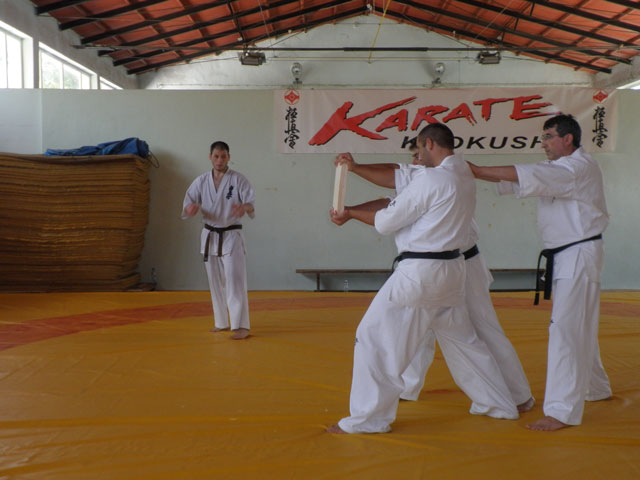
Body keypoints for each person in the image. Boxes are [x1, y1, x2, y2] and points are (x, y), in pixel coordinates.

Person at [327, 124, 518, 435]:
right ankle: (499, 404)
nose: (415, 157)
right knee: (464, 343)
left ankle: (368, 419)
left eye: (418, 149)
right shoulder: (462, 173)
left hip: (420, 274)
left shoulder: (432, 179)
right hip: (452, 271)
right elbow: (397, 180)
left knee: (373, 337)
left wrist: (349, 213)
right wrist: (355, 175)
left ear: (429, 144)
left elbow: (387, 220)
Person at [468, 114, 611, 431]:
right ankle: (595, 386)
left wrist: (476, 169)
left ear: (567, 139)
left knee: (565, 330)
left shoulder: (576, 168)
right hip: (570, 255)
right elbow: (517, 180)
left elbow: (527, 173)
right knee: (578, 324)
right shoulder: (558, 169)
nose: (543, 143)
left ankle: (561, 411)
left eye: (548, 137)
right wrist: (472, 174)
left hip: (578, 254)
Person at [181, 141, 255, 340]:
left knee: (234, 279)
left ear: (228, 157)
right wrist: (190, 209)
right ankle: (221, 322)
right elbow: (188, 203)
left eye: (223, 156)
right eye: (216, 156)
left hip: (231, 235)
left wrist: (245, 208)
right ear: (210, 157)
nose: (220, 160)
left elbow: (250, 203)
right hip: (210, 235)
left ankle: (241, 325)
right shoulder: (201, 181)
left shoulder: (238, 180)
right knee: (215, 281)